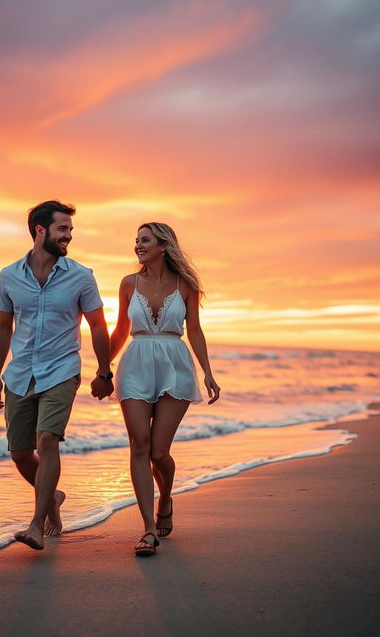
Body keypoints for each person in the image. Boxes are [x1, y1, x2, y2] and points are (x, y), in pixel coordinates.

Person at [0, 200, 114, 551]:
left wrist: (105, 371)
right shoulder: (9, 275)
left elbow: (99, 327)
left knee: (47, 440)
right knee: (21, 453)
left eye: (70, 230)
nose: (68, 236)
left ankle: (36, 524)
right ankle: (53, 498)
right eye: (62, 229)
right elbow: (2, 326)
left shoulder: (81, 276)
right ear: (40, 230)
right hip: (20, 372)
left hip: (62, 369)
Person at [109, 222, 220, 556]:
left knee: (159, 452)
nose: (138, 245)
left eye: (145, 240)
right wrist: (103, 366)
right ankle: (148, 529)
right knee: (139, 444)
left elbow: (196, 331)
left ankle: (166, 498)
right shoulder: (129, 283)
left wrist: (208, 373)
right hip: (136, 364)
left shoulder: (186, 284)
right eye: (136, 240)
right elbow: (119, 329)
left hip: (175, 364)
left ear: (163, 245)